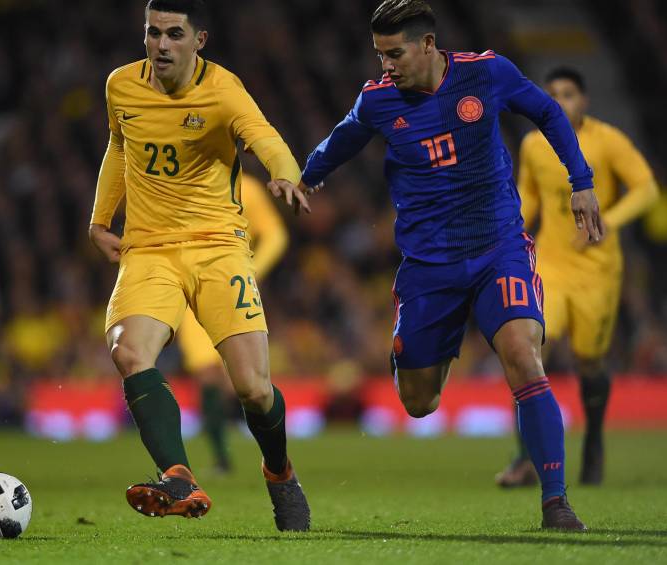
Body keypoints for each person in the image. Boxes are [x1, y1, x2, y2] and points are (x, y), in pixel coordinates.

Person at [272, 0, 603, 530]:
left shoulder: (486, 73)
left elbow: (547, 111)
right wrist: (303, 176)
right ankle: (430, 349)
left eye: (394, 53)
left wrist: (581, 182)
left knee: (522, 352)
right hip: (429, 267)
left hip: (499, 247)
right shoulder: (378, 102)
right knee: (419, 402)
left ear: (428, 45)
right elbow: (342, 140)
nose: (385, 65)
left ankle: (556, 502)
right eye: (379, 55)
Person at [89, 0, 310, 531]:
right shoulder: (121, 85)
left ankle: (279, 472)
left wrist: (285, 173)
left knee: (254, 389)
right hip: (150, 249)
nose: (161, 44)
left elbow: (266, 138)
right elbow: (119, 147)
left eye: (173, 34)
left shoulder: (223, 90)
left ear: (199, 39)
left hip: (218, 246)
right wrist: (100, 219)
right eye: (152, 32)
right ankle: (179, 474)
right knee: (129, 350)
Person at [495, 67, 658, 488]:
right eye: (552, 95)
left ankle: (595, 441)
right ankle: (526, 458)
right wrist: (511, 228)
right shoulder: (534, 144)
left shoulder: (608, 141)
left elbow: (646, 189)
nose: (561, 101)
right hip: (550, 264)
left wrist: (610, 220)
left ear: (584, 100)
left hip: (598, 270)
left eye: (568, 94)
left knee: (589, 359)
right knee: (530, 351)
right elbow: (528, 192)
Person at [176, 173, 288, 473]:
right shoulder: (179, 184)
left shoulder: (246, 188)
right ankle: (221, 458)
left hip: (234, 287)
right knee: (207, 373)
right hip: (193, 289)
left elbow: (275, 235)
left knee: (247, 384)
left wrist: (254, 271)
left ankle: (275, 458)